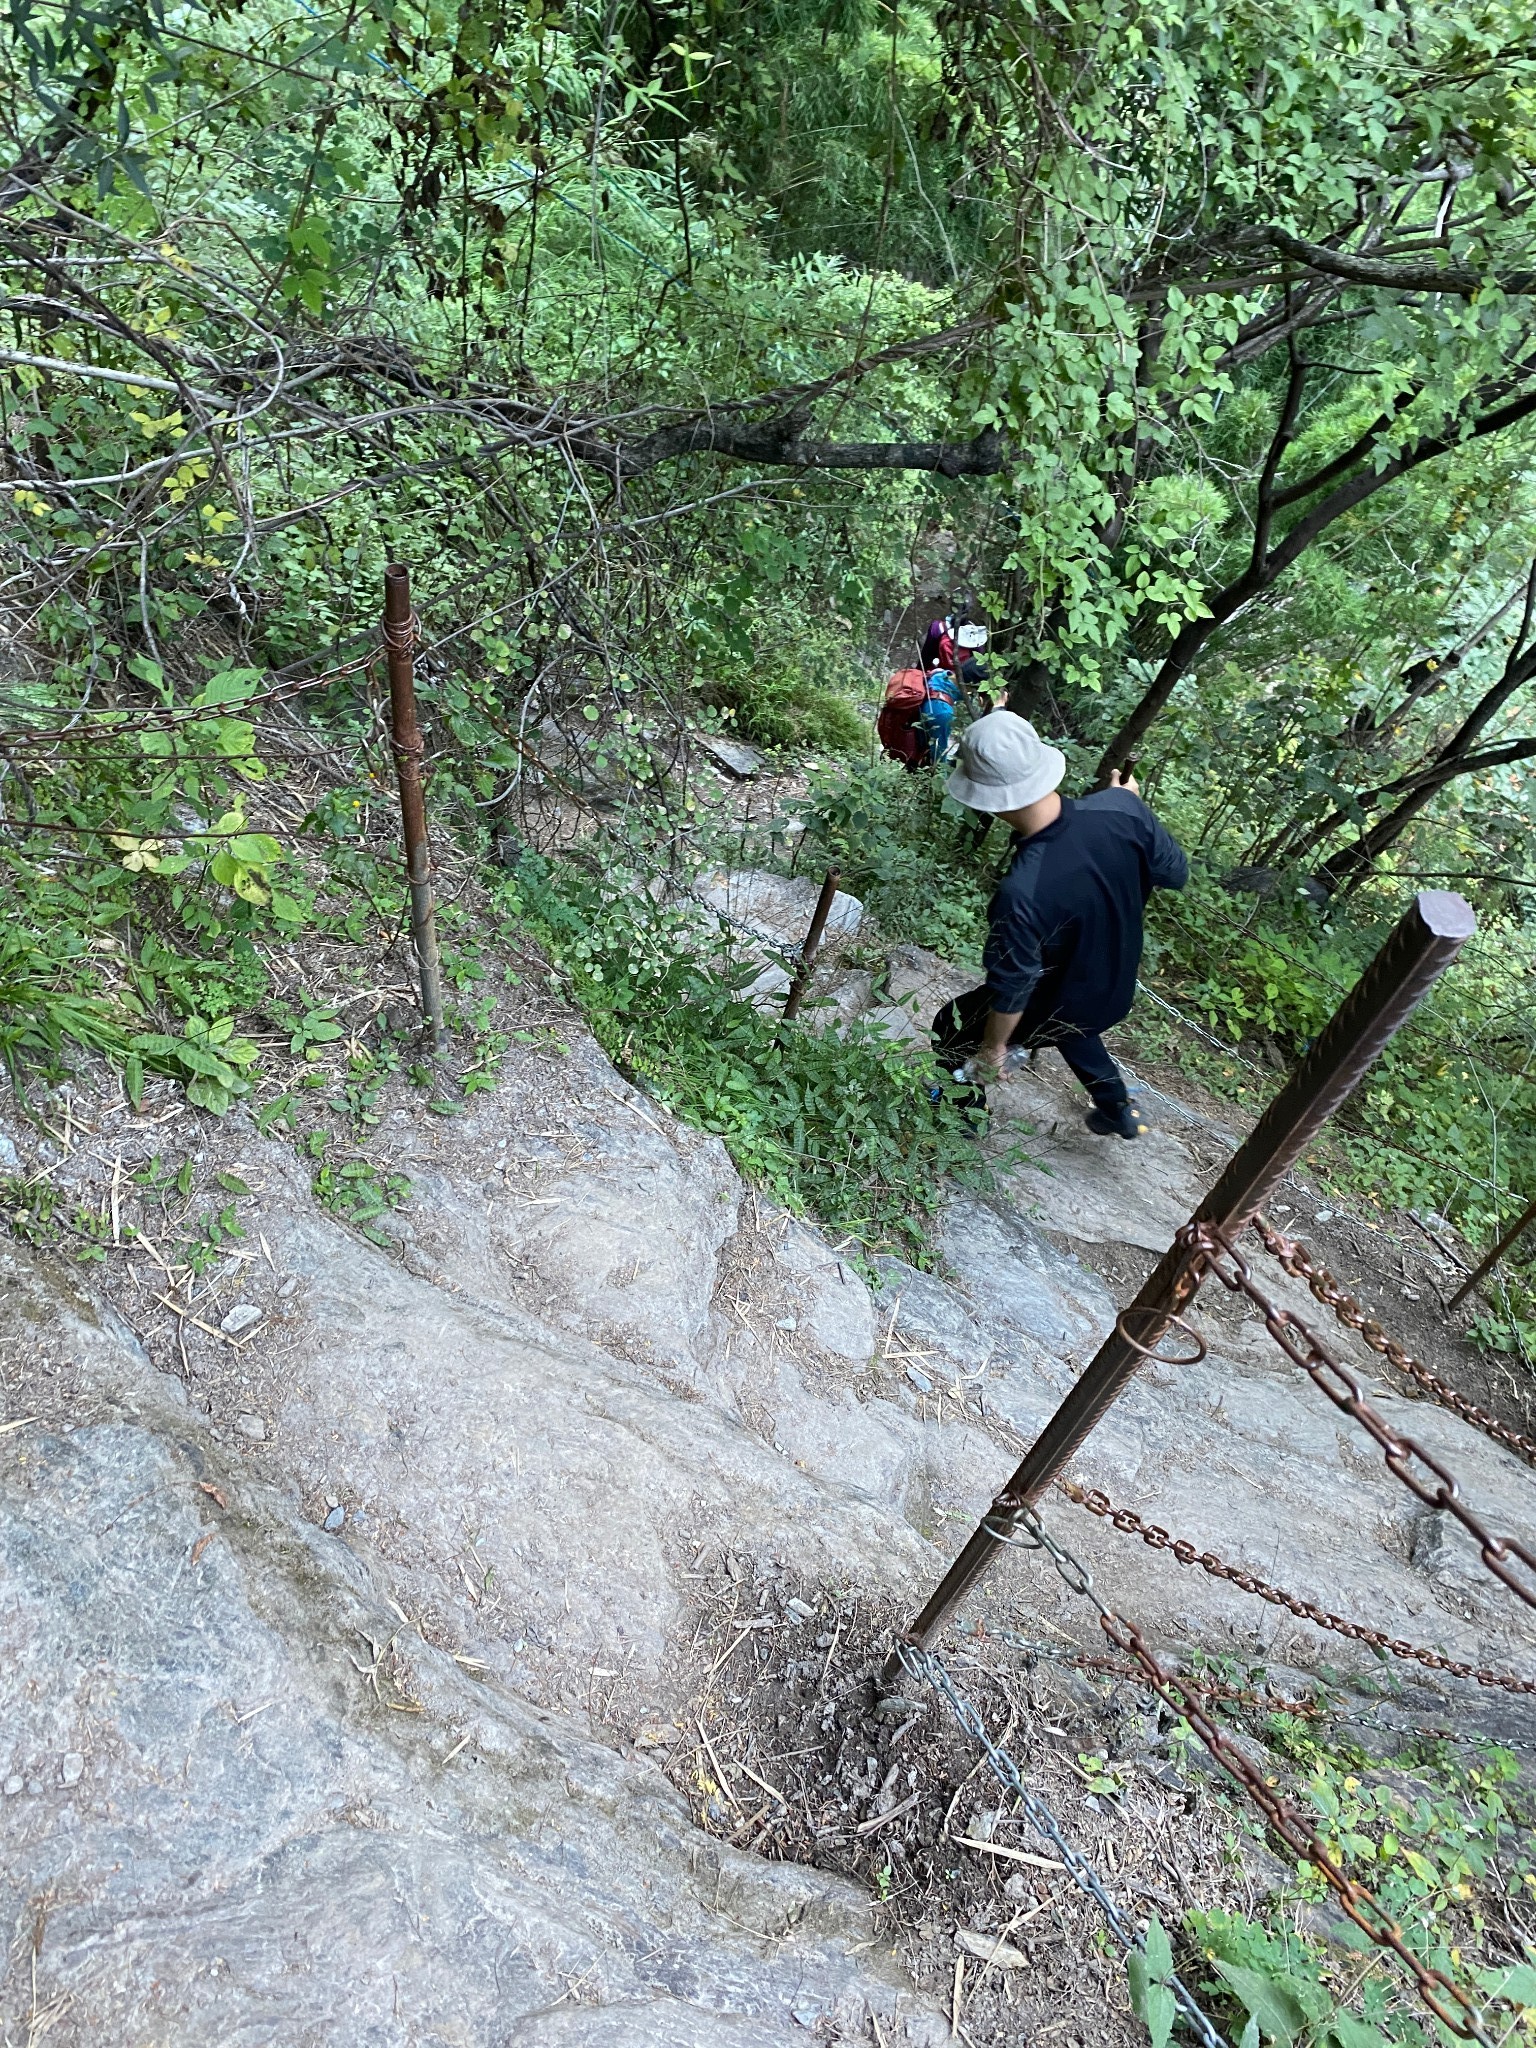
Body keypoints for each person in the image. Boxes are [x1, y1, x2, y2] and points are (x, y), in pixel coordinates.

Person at [931, 709, 1188, 1139]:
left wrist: (993, 1049)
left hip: (1062, 997)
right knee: (1076, 1028)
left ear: (989, 801)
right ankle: (1118, 1108)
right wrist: (1130, 806)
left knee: (949, 1024)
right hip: (1114, 987)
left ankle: (964, 1115)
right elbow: (1174, 873)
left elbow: (1014, 986)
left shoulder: (1023, 891)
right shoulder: (1123, 809)